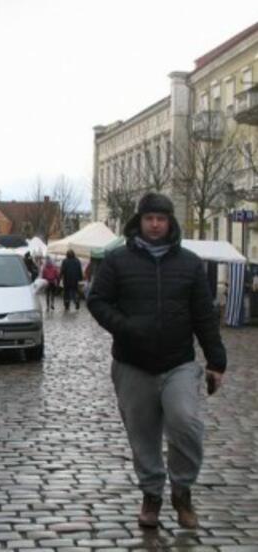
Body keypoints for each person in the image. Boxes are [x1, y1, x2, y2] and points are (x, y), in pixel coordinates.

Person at [87, 192, 226, 530]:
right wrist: (126, 327)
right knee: (143, 436)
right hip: (132, 363)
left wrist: (216, 360)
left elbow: (204, 315)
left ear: (169, 222)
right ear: (140, 221)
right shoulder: (118, 260)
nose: (154, 224)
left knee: (186, 424)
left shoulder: (191, 264)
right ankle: (152, 495)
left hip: (178, 362)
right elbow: (97, 300)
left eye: (161, 219)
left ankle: (182, 490)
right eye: (149, 218)